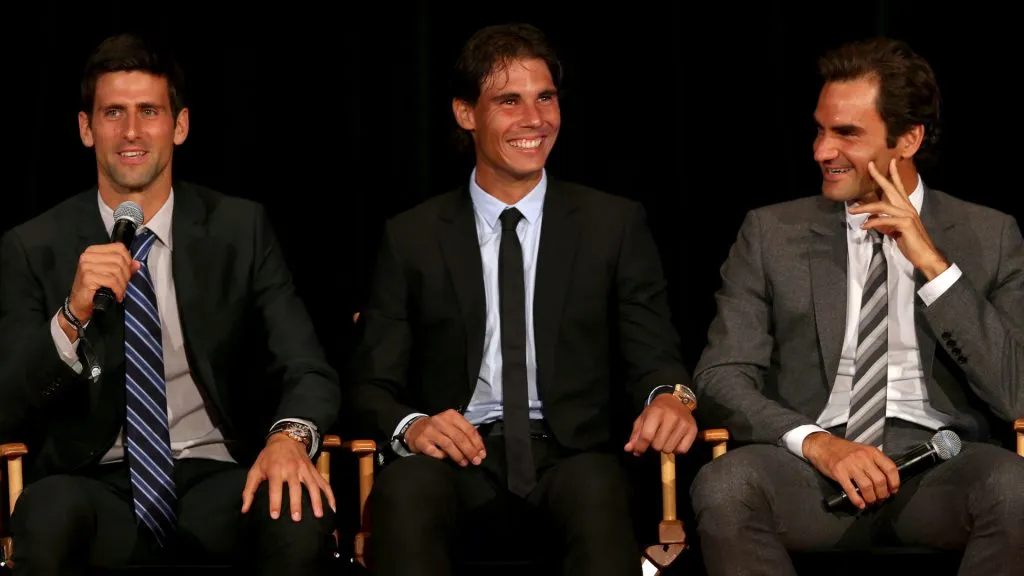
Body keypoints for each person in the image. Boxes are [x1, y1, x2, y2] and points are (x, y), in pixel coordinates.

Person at [351, 22, 698, 576]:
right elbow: (371, 384)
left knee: (599, 491)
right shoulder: (412, 236)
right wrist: (413, 425)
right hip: (456, 457)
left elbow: (654, 353)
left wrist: (669, 397)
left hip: (571, 455)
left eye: (545, 98)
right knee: (404, 491)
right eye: (508, 101)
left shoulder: (613, 224)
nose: (534, 119)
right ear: (466, 113)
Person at [0, 33, 340, 575]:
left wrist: (289, 439)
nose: (131, 132)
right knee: (44, 511)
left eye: (149, 112)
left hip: (216, 475)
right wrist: (72, 315)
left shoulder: (239, 228)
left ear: (179, 126)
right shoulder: (32, 245)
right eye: (113, 112)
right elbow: (8, 403)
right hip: (92, 483)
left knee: (294, 508)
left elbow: (307, 367)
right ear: (87, 129)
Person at [688, 37, 1024, 575]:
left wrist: (933, 266)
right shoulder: (772, 232)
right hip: (812, 470)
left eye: (847, 134)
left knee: (1015, 489)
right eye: (820, 130)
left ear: (908, 138)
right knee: (726, 484)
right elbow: (721, 374)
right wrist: (819, 444)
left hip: (940, 468)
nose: (822, 151)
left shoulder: (990, 235)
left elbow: (1016, 392)